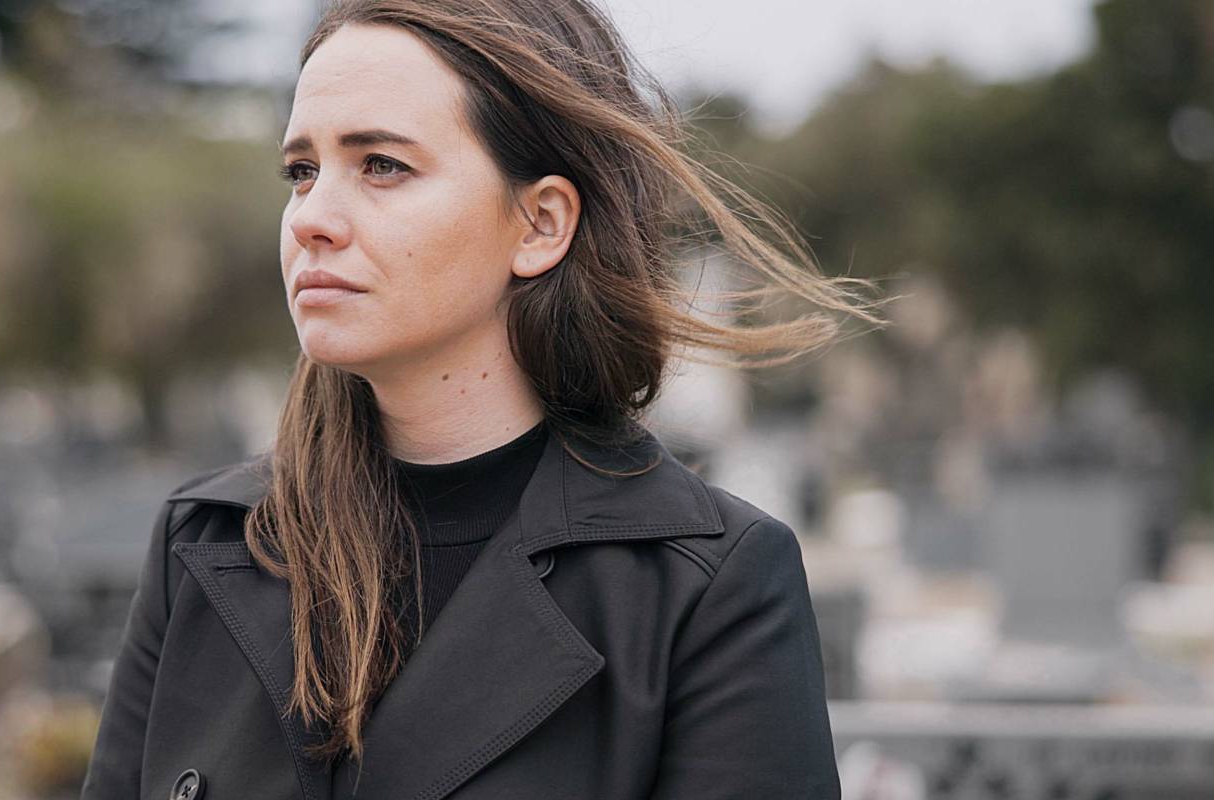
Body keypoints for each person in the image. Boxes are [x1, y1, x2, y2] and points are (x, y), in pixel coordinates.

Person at [80, 0, 884, 798]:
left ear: (540, 224)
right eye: (302, 171)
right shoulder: (207, 543)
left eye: (381, 165)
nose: (311, 219)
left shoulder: (703, 589)